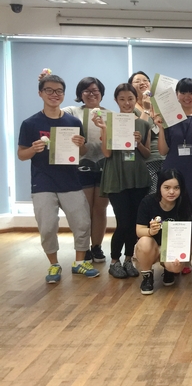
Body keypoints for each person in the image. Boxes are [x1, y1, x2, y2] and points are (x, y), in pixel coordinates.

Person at [18, 74, 99, 283]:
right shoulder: (30, 123)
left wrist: (81, 144)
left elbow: (81, 152)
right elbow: (21, 154)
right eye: (49, 90)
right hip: (43, 182)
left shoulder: (73, 122)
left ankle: (79, 262)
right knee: (47, 227)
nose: (54, 94)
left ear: (64, 94)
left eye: (59, 91)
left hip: (70, 180)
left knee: (82, 223)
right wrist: (33, 149)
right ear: (40, 93)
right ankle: (54, 264)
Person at [92, 83, 151, 279]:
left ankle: (128, 259)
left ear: (136, 100)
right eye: (122, 99)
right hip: (116, 177)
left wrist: (139, 143)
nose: (127, 103)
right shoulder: (109, 122)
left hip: (138, 178)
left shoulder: (143, 124)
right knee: (123, 222)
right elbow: (107, 153)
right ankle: (114, 261)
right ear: (116, 100)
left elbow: (147, 154)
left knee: (134, 223)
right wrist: (104, 129)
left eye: (130, 99)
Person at [155, 78, 192, 273]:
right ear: (176, 95)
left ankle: (186, 260)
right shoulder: (169, 118)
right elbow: (163, 150)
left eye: (191, 93)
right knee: (171, 213)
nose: (187, 96)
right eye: (183, 92)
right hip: (172, 170)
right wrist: (160, 127)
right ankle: (170, 258)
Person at [62, 76, 109, 263]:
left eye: (95, 90)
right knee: (84, 210)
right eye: (87, 91)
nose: (91, 94)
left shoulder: (110, 115)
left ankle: (97, 247)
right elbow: (53, 112)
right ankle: (84, 248)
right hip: (82, 165)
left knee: (100, 209)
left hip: (105, 165)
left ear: (101, 93)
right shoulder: (72, 111)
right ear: (80, 94)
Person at [135, 169, 192, 294]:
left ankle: (169, 271)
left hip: (171, 248)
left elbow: (187, 234)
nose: (172, 192)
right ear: (159, 187)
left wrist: (182, 257)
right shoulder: (148, 202)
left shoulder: (184, 204)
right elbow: (139, 231)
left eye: (176, 188)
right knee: (144, 242)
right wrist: (150, 231)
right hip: (152, 247)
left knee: (176, 267)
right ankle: (147, 276)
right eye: (167, 187)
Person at [130, 71, 165, 194]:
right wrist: (146, 109)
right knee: (153, 195)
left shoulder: (159, 105)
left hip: (165, 156)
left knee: (166, 194)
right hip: (147, 159)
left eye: (145, 80)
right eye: (137, 81)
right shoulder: (131, 108)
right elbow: (140, 131)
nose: (142, 83)